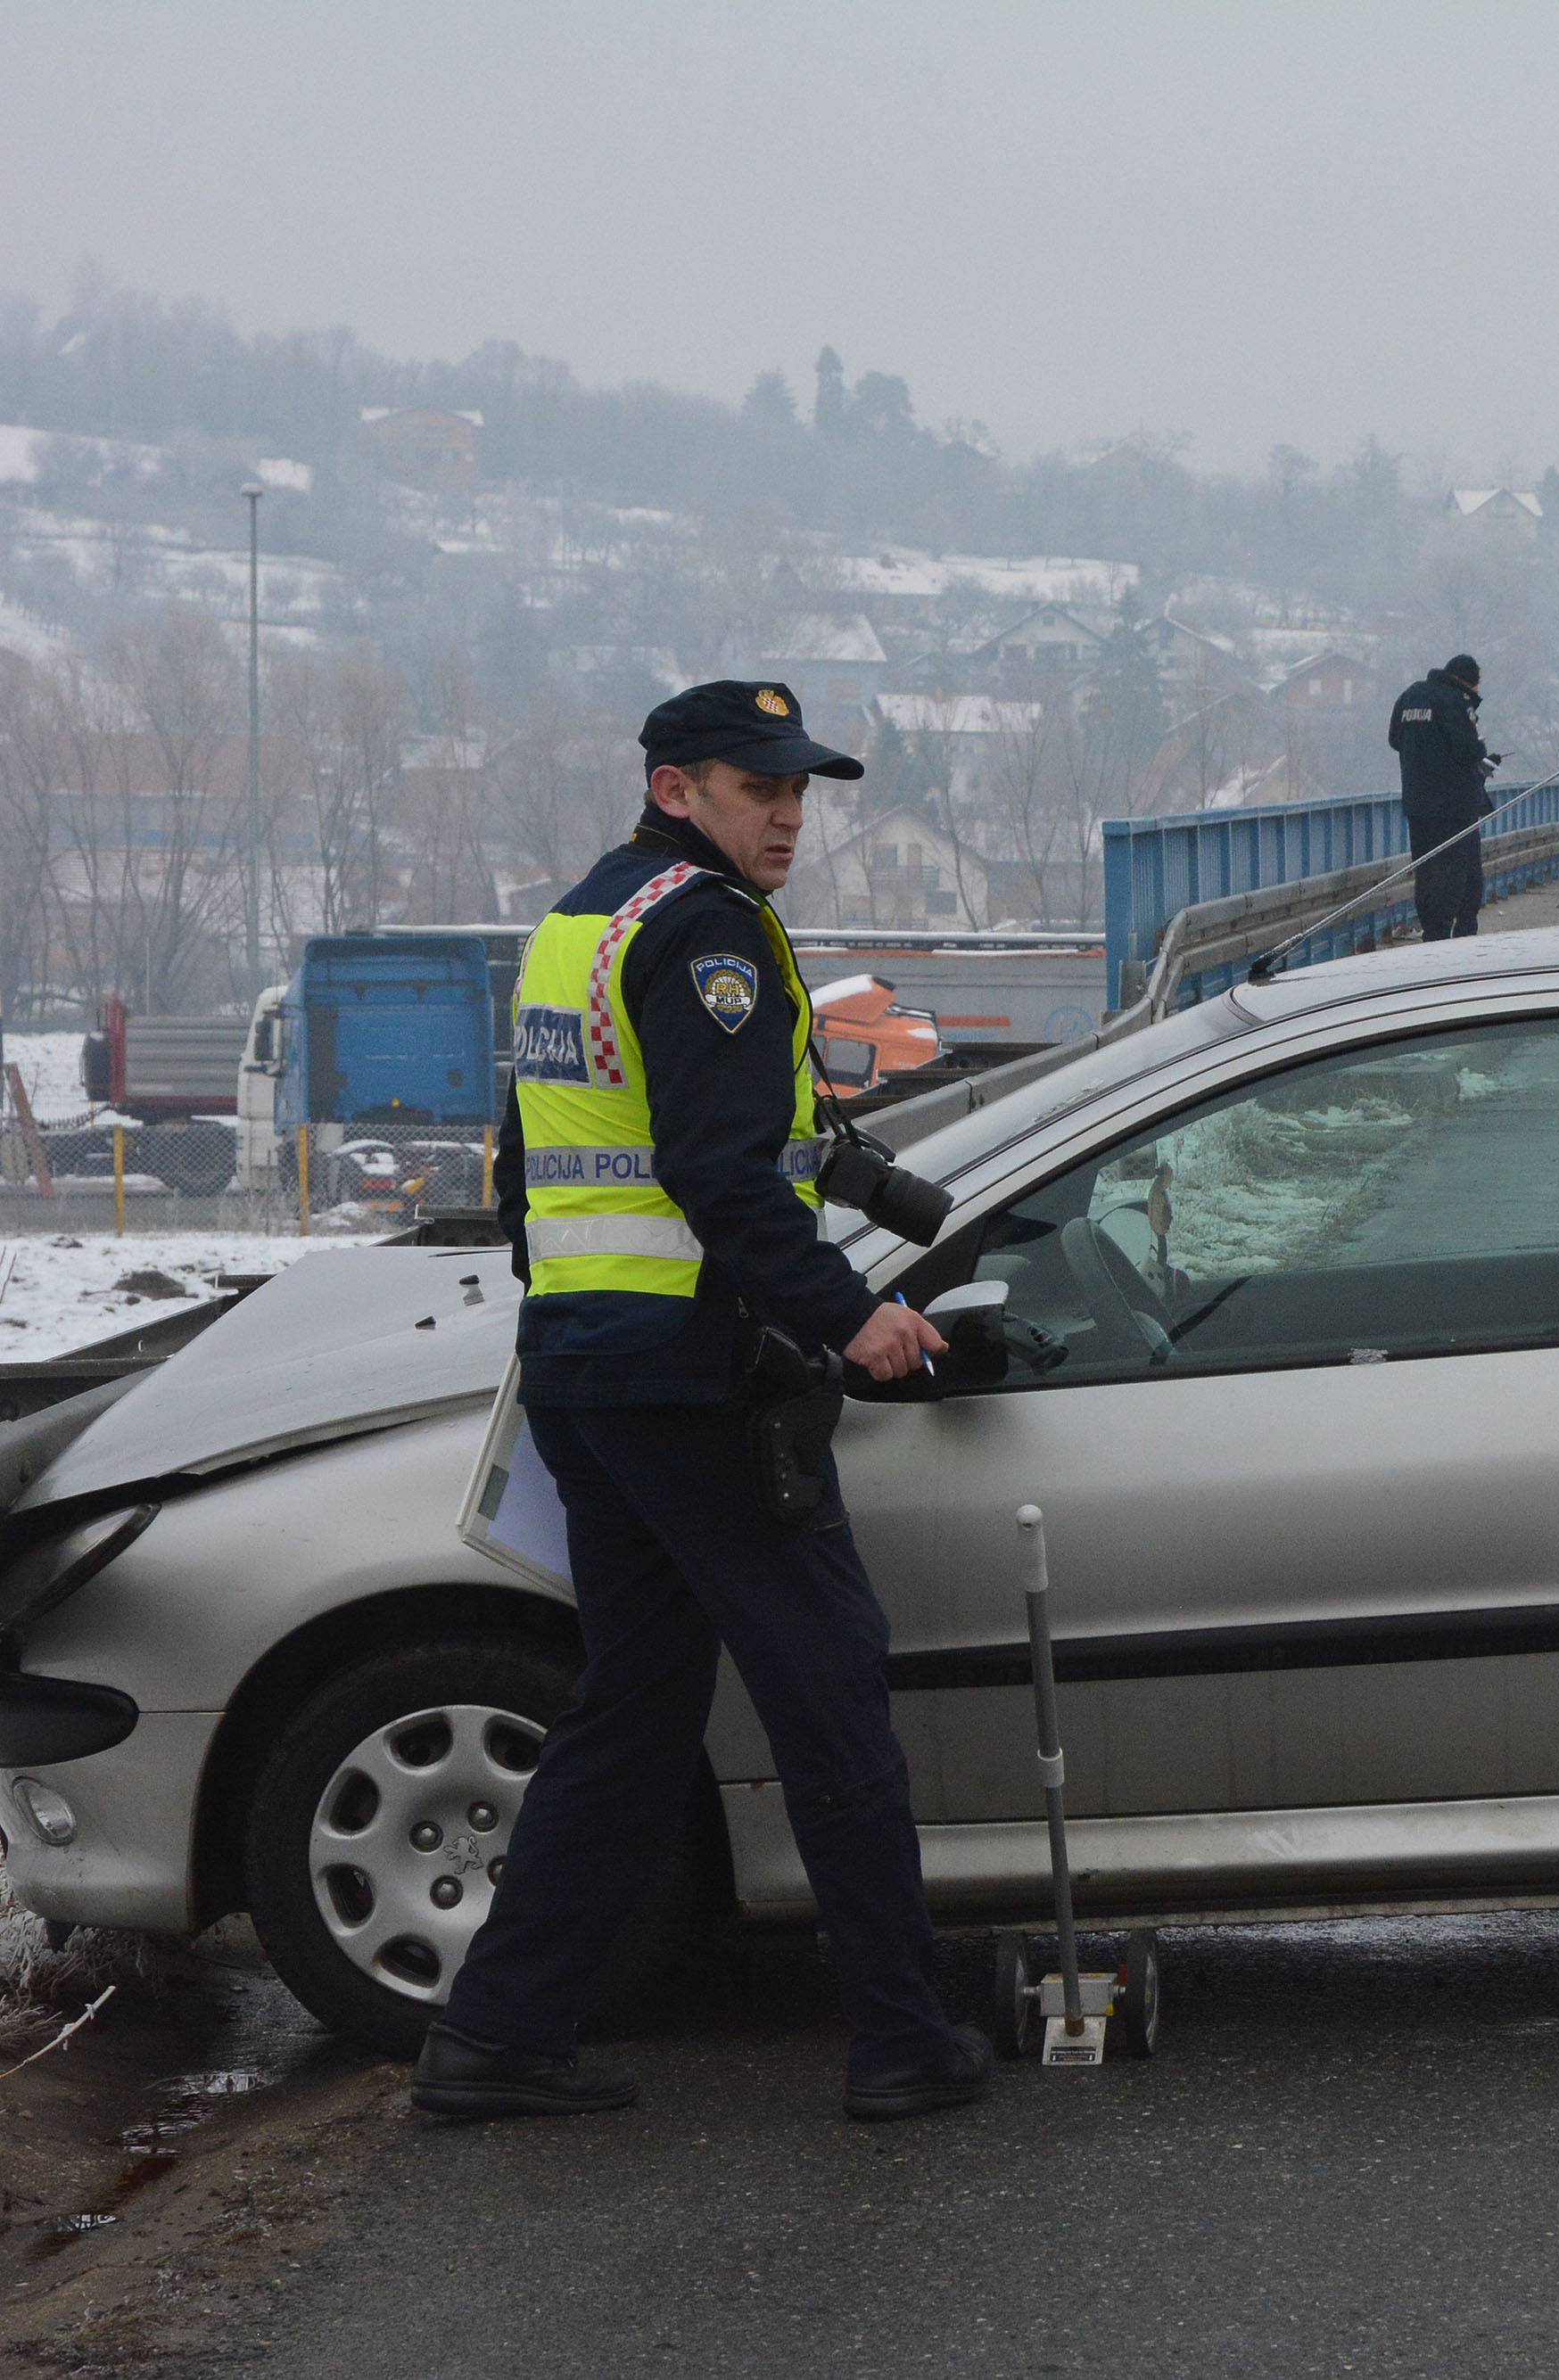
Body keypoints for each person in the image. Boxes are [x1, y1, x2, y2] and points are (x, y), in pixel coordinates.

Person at [410, 679, 993, 2127]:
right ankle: (903, 2037)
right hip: (694, 1379)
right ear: (678, 787)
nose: (789, 813)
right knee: (829, 1683)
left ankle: (494, 2031)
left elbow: (533, 1168)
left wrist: (867, 1183)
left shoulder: (581, 924)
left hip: (590, 1373)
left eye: (800, 789)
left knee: (637, 1705)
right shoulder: (714, 932)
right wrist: (852, 1318)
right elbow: (721, 1172)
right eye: (758, 787)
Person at [1388, 654, 1502, 939]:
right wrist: (1483, 755)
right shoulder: (1454, 700)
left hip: (1417, 803)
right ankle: (1459, 932)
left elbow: (1394, 739)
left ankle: (1432, 930)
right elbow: (1468, 751)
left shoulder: (1410, 696)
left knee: (1426, 872)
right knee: (1459, 873)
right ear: (1467, 682)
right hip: (1455, 806)